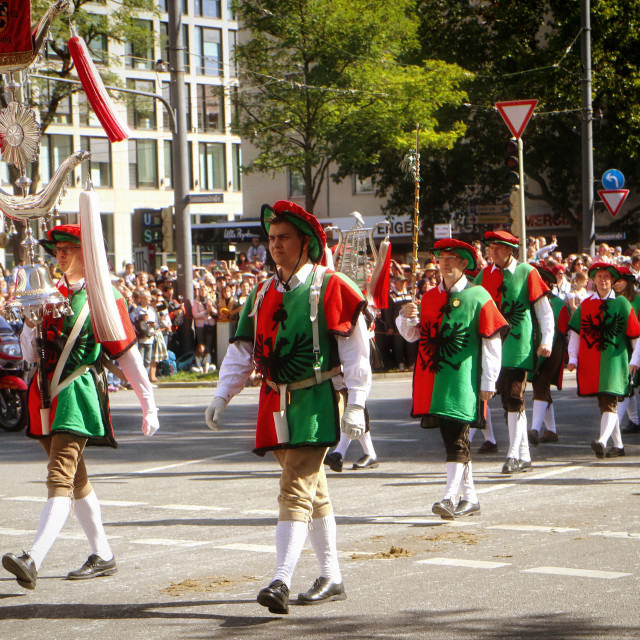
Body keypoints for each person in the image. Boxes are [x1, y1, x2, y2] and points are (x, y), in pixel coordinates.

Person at [204, 200, 371, 615]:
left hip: (314, 400)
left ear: (306, 243)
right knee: (313, 493)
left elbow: (356, 351)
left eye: (284, 238)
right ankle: (332, 575)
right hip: (273, 402)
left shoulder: (332, 286)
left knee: (294, 487)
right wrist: (222, 394)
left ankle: (280, 579)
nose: (274, 245)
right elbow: (242, 350)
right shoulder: (261, 292)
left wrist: (357, 402)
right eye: (271, 238)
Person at [2, 224, 158, 591]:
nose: (60, 255)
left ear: (89, 254)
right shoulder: (47, 292)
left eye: (70, 248)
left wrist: (148, 402)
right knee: (76, 479)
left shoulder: (104, 296)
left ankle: (33, 557)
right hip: (43, 395)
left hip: (75, 394)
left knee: (59, 476)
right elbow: (28, 355)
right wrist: (28, 324)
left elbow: (127, 354)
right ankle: (102, 554)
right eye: (57, 249)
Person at [397, 239, 508, 518]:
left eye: (451, 258)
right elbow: (413, 336)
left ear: (463, 264)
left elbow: (492, 341)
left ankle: (448, 498)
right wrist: (405, 317)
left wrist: (489, 381)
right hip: (434, 380)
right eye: (441, 258)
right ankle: (470, 498)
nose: (444, 263)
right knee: (453, 436)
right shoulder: (430, 298)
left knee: (456, 437)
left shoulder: (479, 295)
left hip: (464, 380)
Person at [473, 230, 554, 474]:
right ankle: (524, 455)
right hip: (492, 346)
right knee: (508, 400)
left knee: (514, 396)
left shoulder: (527, 272)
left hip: (518, 347)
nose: (492, 251)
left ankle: (512, 455)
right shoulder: (484, 274)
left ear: (511, 250)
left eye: (498, 247)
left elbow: (544, 312)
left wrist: (547, 339)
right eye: (490, 247)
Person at [567, 262, 640, 458]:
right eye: (599, 276)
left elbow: (635, 336)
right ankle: (618, 445)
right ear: (594, 280)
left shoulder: (622, 304)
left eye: (607, 276)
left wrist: (636, 360)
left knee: (609, 400)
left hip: (616, 362)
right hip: (592, 362)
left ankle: (602, 440)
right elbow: (576, 333)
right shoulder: (586, 304)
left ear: (612, 280)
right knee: (605, 402)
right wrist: (573, 357)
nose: (603, 280)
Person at [527, 263, 570, 445]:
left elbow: (565, 331)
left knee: (541, 384)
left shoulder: (559, 304)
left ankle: (534, 429)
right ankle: (551, 430)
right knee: (541, 386)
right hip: (533, 349)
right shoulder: (526, 302)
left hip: (553, 348)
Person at [612, 267, 640, 434]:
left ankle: (613, 428)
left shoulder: (637, 300)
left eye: (619, 281)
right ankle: (635, 421)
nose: (615, 284)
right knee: (627, 385)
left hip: (636, 346)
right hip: (622, 347)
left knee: (628, 385)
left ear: (628, 282)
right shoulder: (613, 300)